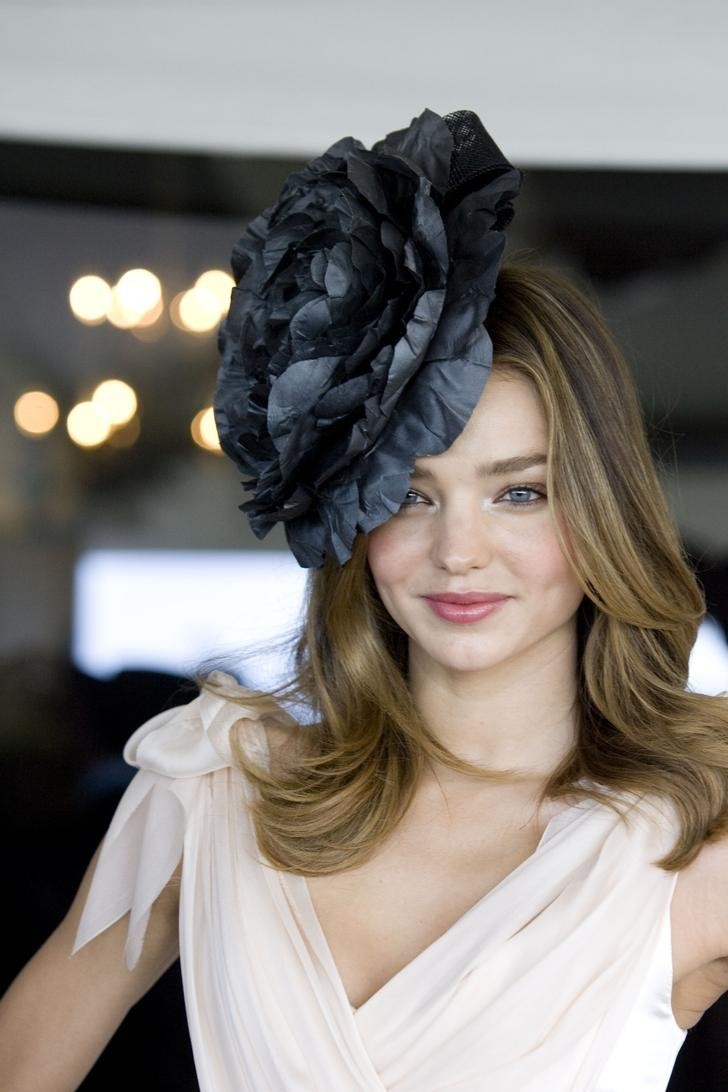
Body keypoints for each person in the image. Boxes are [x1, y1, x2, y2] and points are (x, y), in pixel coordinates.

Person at [2, 107, 728, 1092]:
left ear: (601, 510)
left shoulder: (692, 841)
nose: (457, 552)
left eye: (519, 493)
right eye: (408, 495)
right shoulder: (213, 791)